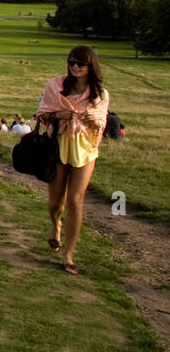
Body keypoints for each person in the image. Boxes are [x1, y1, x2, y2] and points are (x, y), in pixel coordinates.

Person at [35, 46, 110, 275]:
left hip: (85, 150)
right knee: (56, 203)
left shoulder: (100, 95)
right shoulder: (55, 86)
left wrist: (93, 120)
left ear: (90, 66)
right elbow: (41, 115)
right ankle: (55, 225)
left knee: (76, 201)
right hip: (58, 147)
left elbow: (102, 122)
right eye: (71, 63)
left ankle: (69, 255)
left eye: (80, 63)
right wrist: (58, 115)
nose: (75, 67)